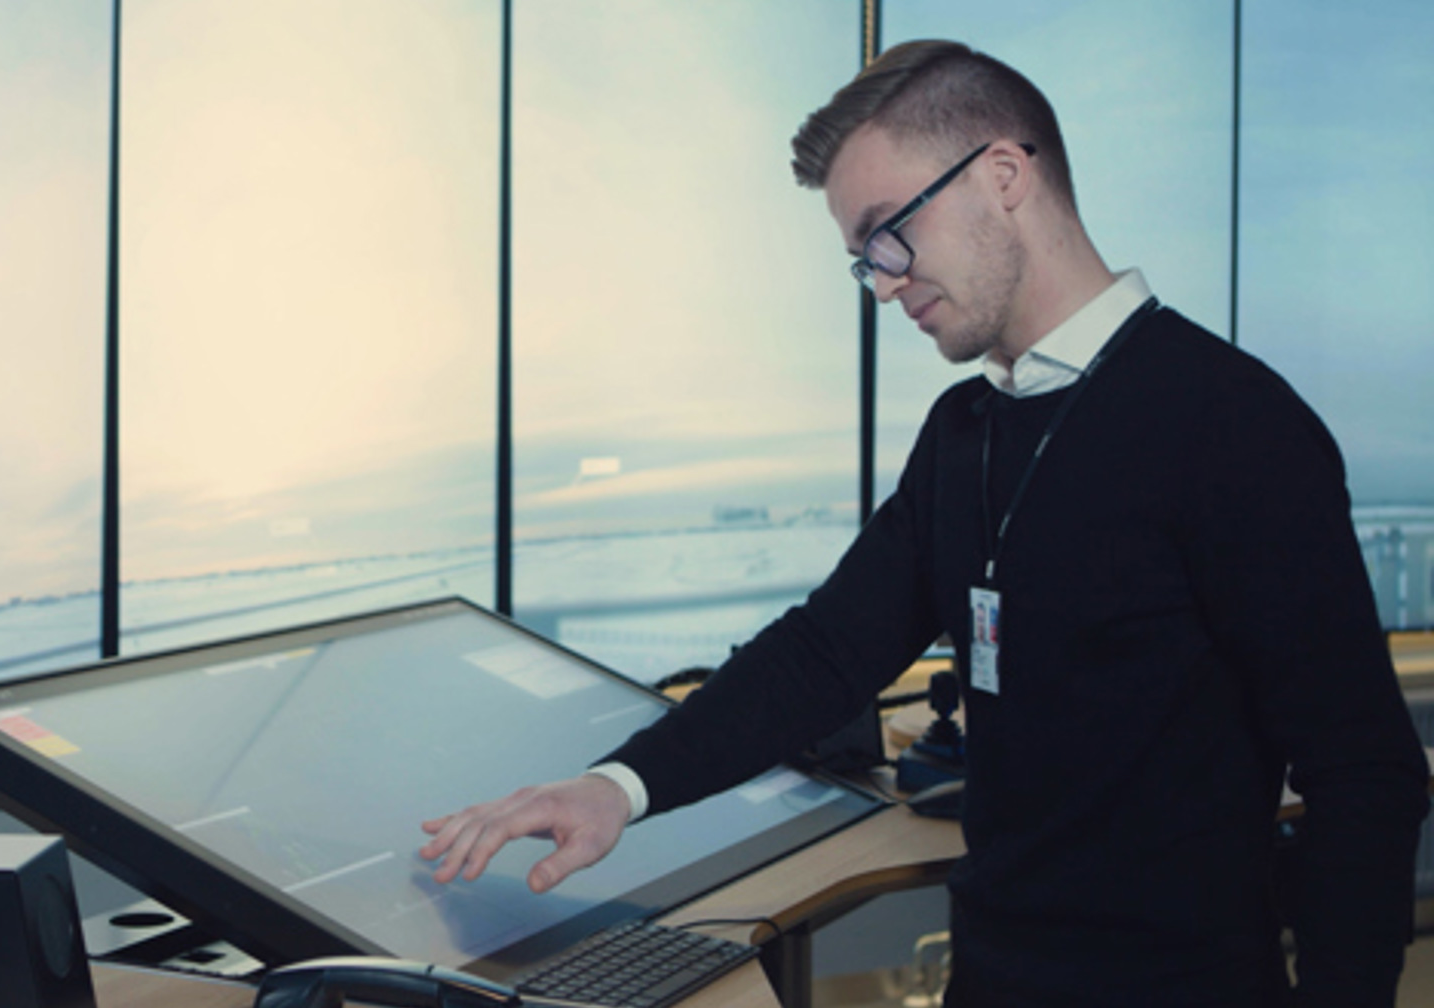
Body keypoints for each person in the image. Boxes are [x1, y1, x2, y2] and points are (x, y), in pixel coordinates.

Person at [419, 39, 1430, 1007]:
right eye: (864, 260)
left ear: (1000, 174)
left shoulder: (1230, 422)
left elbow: (1364, 777)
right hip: (992, 980)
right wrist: (619, 788)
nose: (886, 282)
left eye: (887, 234)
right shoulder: (965, 431)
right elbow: (824, 651)